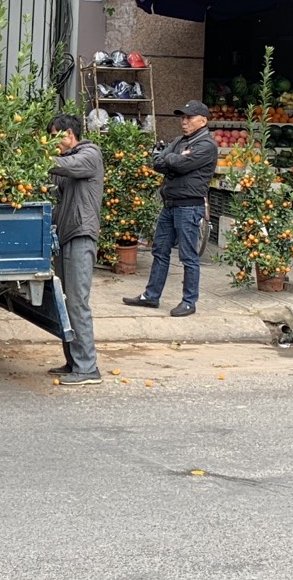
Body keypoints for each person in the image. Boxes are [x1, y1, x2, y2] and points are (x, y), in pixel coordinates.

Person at [123, 100, 218, 317]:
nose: (184, 121)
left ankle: (189, 302)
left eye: (189, 118)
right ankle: (151, 296)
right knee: (160, 251)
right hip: (170, 205)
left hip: (189, 207)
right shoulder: (179, 141)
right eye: (183, 117)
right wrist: (173, 159)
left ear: (203, 121)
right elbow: (157, 162)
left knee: (188, 256)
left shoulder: (207, 145)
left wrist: (172, 160)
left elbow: (181, 164)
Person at [46, 113, 105, 386]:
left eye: (55, 137)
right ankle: (73, 362)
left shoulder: (90, 155)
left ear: (69, 134)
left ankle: (87, 367)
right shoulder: (68, 160)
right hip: (66, 237)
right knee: (66, 302)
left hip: (81, 235)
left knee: (77, 303)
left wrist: (37, 158)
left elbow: (67, 166)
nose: (53, 143)